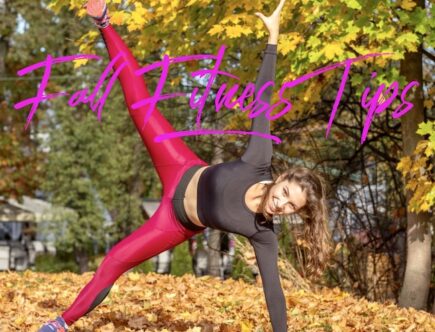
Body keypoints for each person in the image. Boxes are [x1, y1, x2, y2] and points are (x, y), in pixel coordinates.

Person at [39, 0, 332, 331]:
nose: (282, 204)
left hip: (175, 220)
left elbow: (273, 292)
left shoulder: (263, 235)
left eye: (291, 206)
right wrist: (273, 40)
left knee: (115, 260)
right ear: (281, 179)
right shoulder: (258, 161)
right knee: (139, 105)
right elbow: (263, 100)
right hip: (179, 166)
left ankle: (59, 325)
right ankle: (105, 23)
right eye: (285, 193)